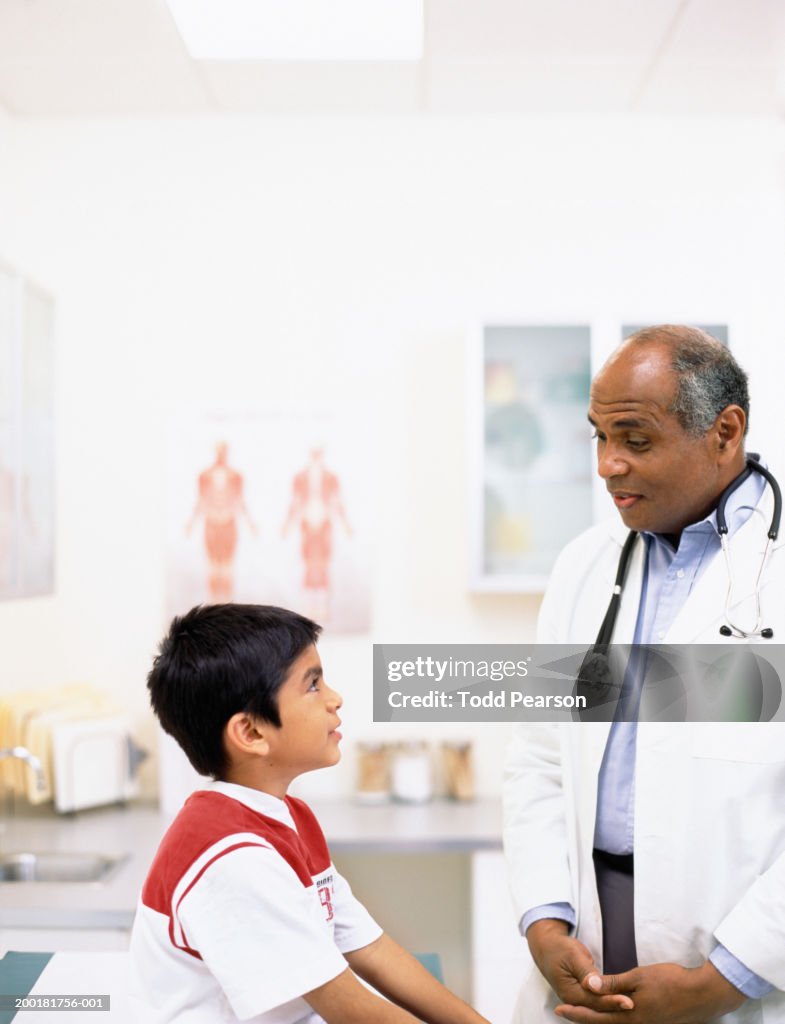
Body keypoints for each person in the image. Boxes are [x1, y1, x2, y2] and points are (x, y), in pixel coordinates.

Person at [503, 325, 785, 1024]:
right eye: (597, 437)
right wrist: (543, 919)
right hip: (588, 952)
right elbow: (538, 758)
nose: (607, 465)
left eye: (634, 440)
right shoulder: (584, 565)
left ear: (724, 432)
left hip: (744, 970)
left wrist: (725, 978)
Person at [131, 603, 491, 1024]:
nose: (335, 699)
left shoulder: (287, 817)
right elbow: (350, 1010)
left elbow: (369, 948)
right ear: (251, 732)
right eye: (313, 685)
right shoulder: (233, 858)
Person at [186, 441, 257, 602]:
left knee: (227, 564)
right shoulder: (205, 476)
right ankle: (214, 601)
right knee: (213, 564)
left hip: (228, 522)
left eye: (224, 451)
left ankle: (226, 602)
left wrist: (250, 522)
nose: (221, 454)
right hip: (211, 523)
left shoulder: (236, 476)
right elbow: (201, 500)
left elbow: (240, 501)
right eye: (219, 450)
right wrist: (191, 523)